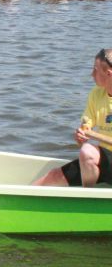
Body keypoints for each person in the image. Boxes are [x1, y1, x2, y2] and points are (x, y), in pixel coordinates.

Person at [34, 49, 112, 187]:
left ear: (108, 74)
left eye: (95, 70)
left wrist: (90, 140)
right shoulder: (96, 94)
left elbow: (89, 144)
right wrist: (82, 133)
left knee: (87, 152)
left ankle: (85, 201)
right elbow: (86, 124)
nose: (91, 74)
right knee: (54, 176)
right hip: (104, 159)